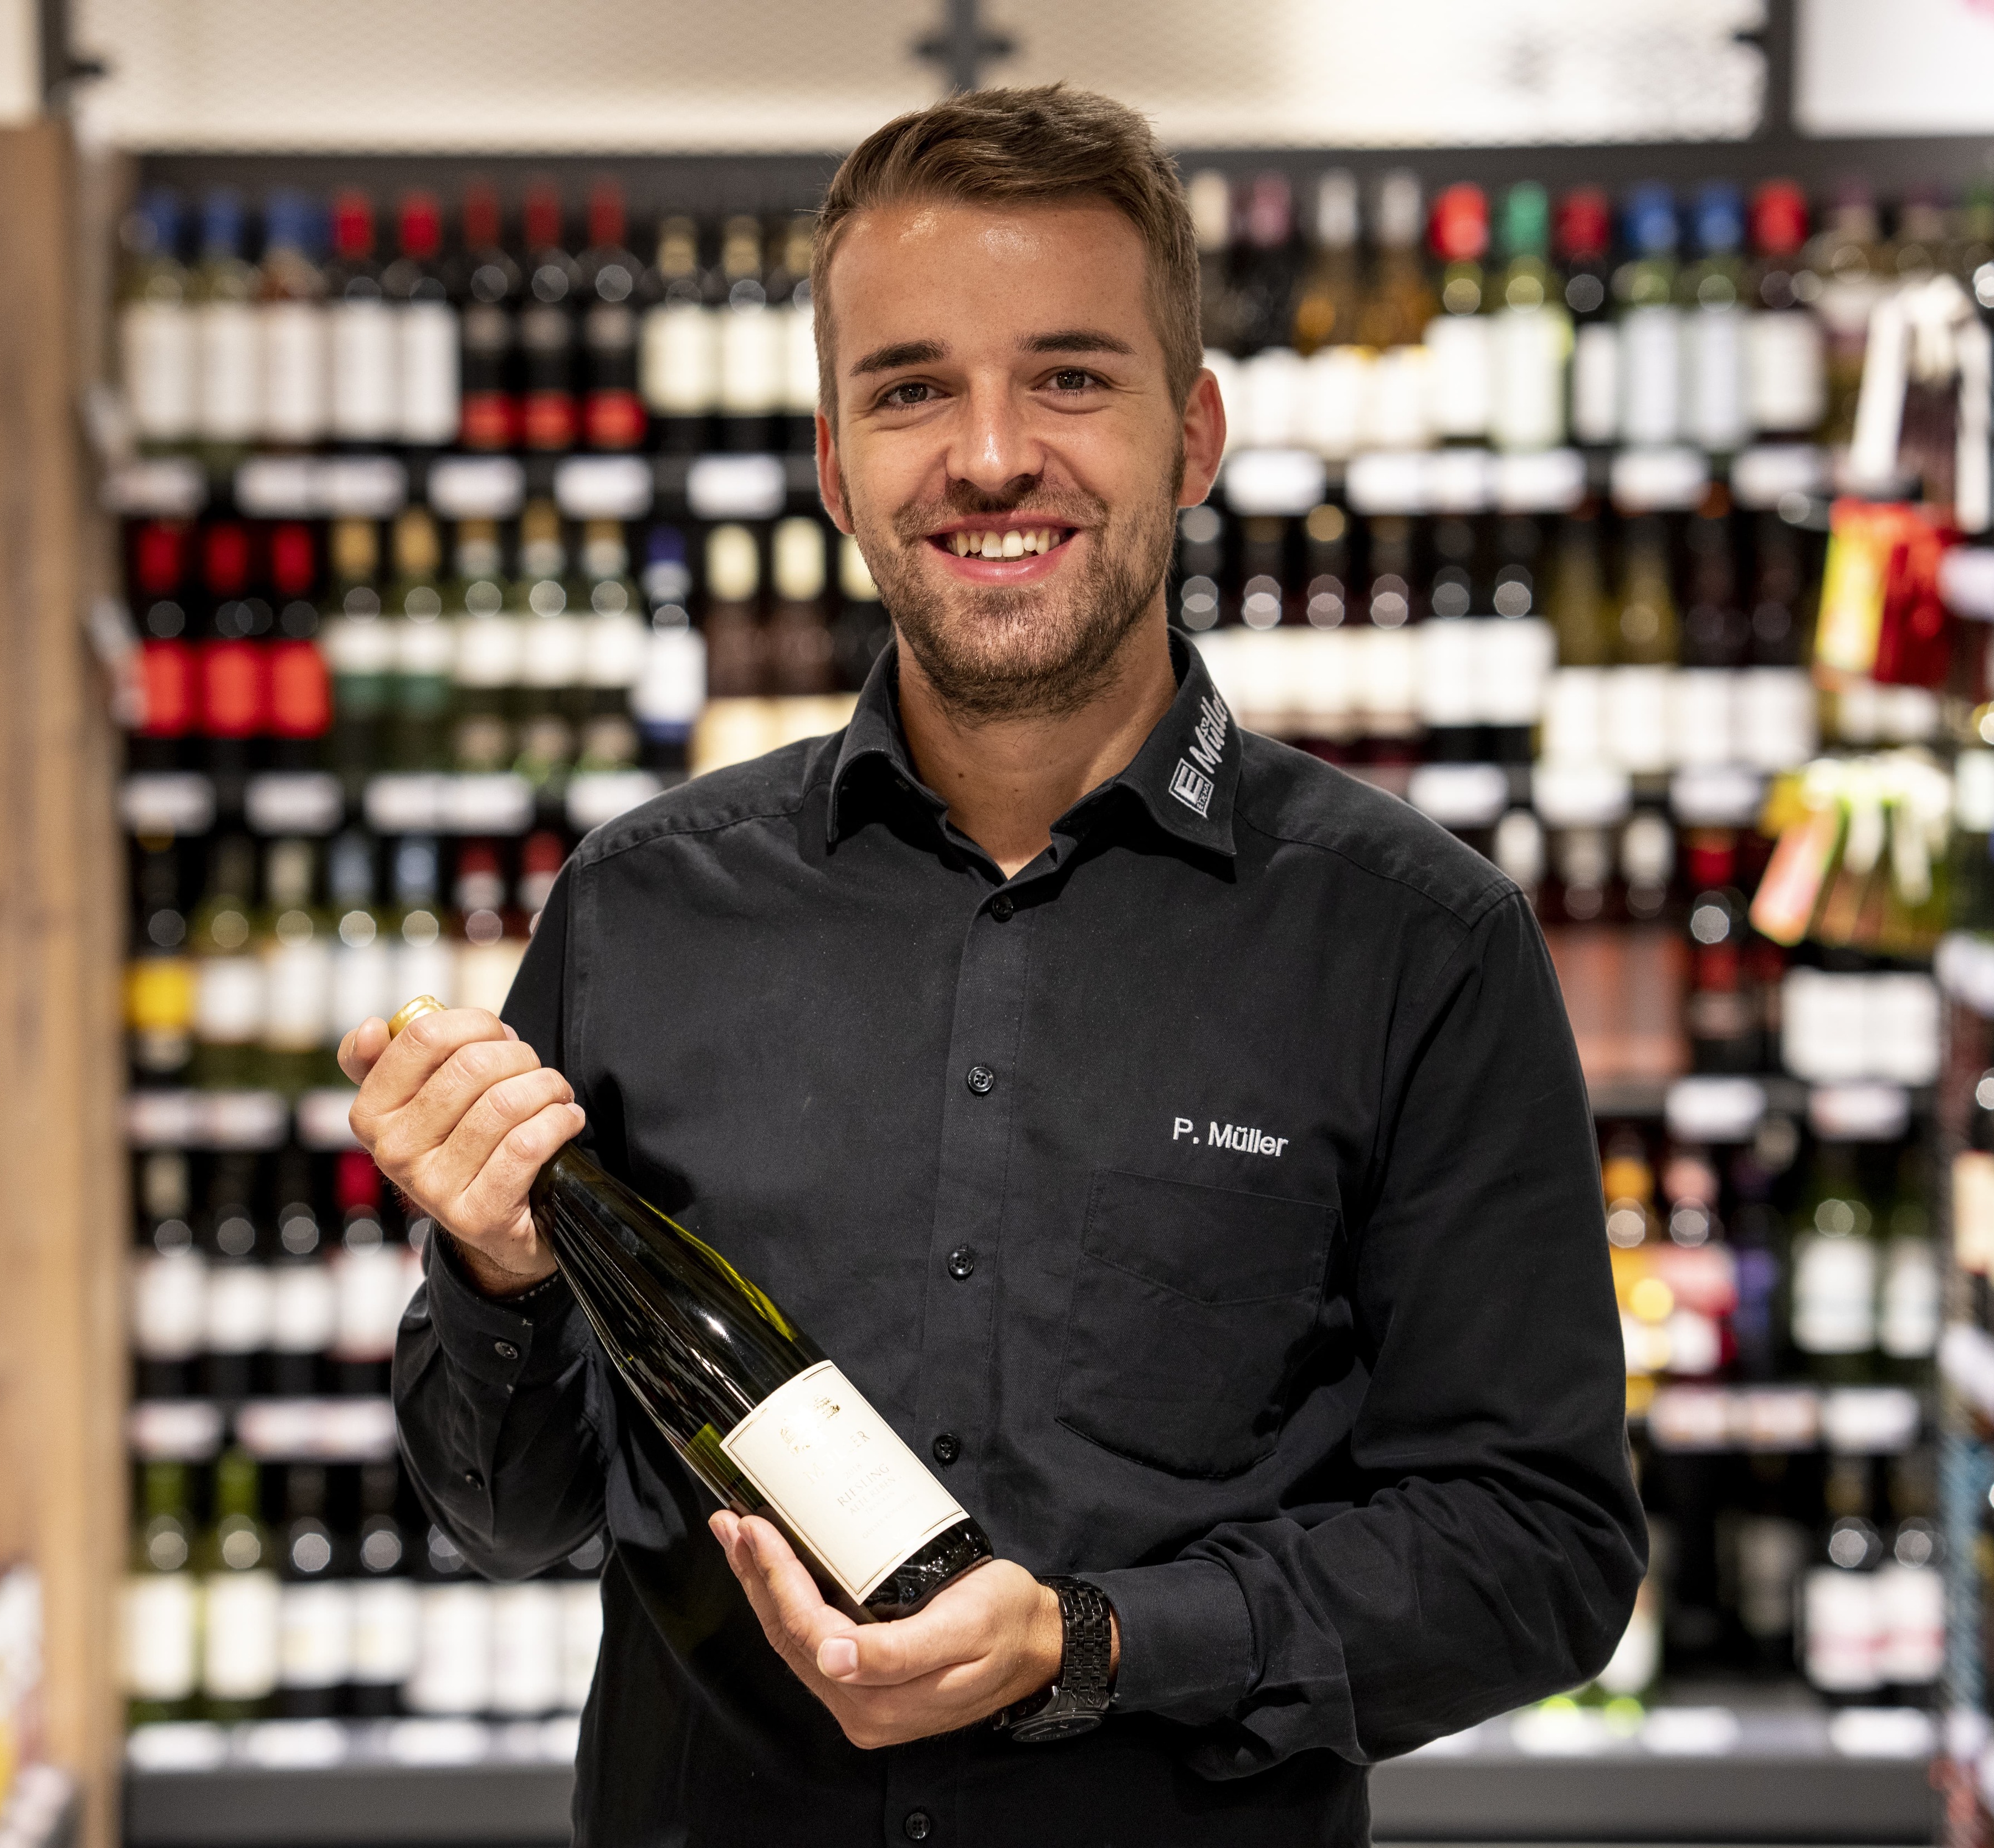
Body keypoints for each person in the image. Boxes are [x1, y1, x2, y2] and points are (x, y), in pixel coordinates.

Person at [340, 83, 1643, 1847]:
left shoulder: (1417, 940)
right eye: (910, 390)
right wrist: (496, 1273)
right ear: (834, 467)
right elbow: (509, 1514)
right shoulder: (642, 910)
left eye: (1071, 378)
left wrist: (1096, 1644)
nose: (991, 455)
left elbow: (1540, 1553)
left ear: (1193, 438)